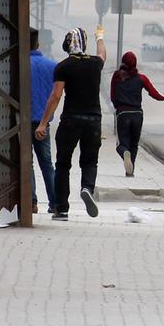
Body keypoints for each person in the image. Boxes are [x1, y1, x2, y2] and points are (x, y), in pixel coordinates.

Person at [35, 26, 108, 221]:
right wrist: (100, 37)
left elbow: (56, 95)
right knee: (90, 161)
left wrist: (43, 123)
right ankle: (87, 188)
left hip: (70, 120)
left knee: (63, 165)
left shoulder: (64, 66)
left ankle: (62, 209)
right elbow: (102, 53)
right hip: (94, 120)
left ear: (68, 44)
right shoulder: (95, 64)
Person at [109, 51, 164, 177]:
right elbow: (154, 93)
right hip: (137, 114)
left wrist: (117, 108)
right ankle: (130, 170)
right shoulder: (141, 78)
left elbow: (112, 95)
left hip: (122, 114)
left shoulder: (116, 77)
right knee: (134, 144)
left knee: (121, 145)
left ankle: (125, 153)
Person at [29, 28, 57, 214]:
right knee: (47, 163)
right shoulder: (52, 66)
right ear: (38, 44)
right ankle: (55, 203)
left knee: (26, 162)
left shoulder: (18, 64)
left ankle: (31, 202)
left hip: (21, 122)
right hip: (43, 122)